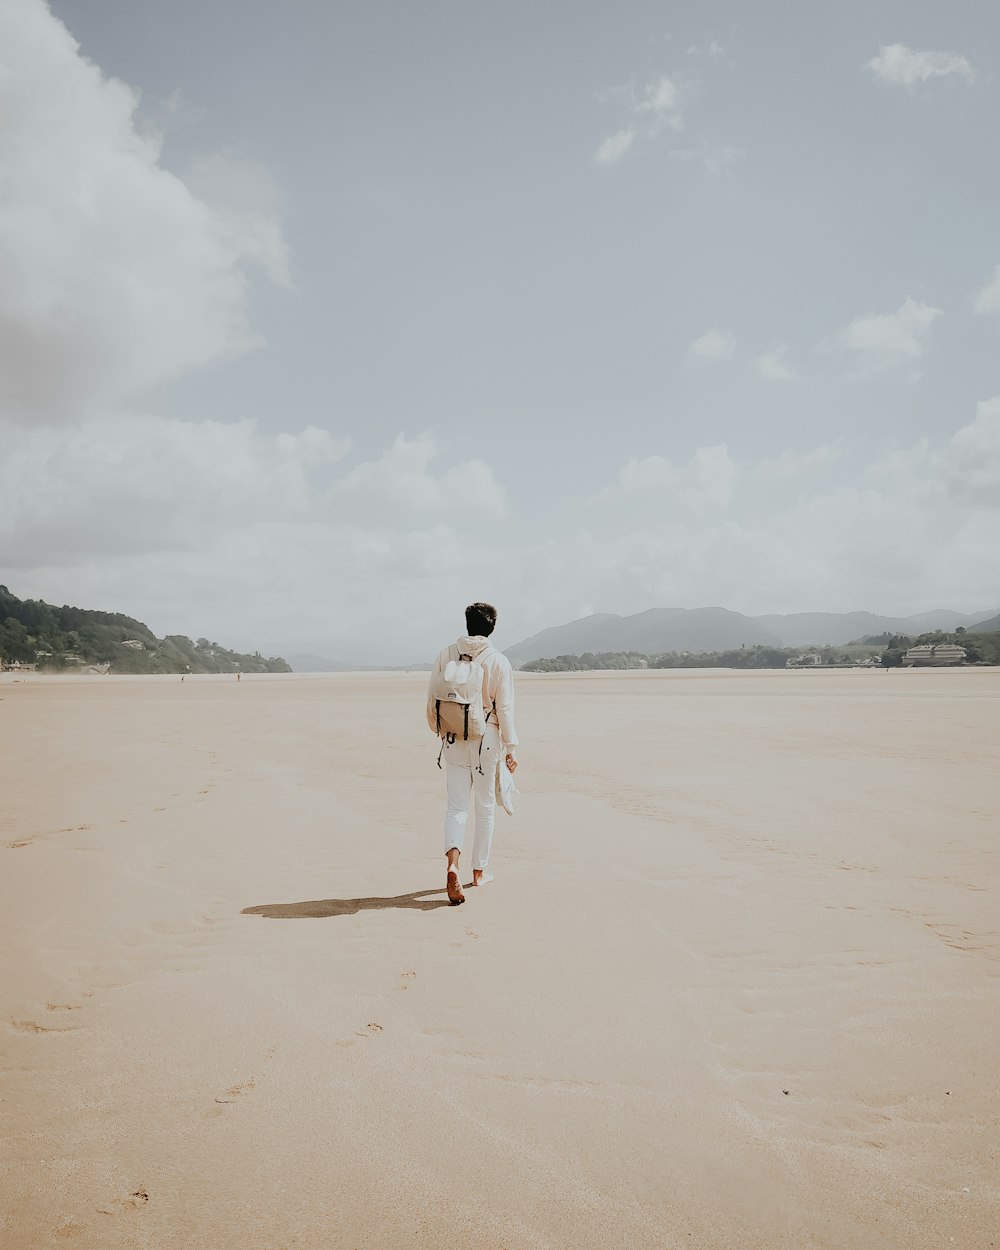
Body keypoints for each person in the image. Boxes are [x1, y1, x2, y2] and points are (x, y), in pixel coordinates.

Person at [427, 602, 518, 905]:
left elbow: (432, 698)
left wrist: (439, 730)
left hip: (453, 737)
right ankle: (478, 872)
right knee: (485, 807)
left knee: (456, 808)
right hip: (486, 740)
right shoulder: (498, 661)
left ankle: (452, 863)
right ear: (492, 627)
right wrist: (511, 747)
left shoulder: (446, 654)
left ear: (467, 625)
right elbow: (504, 709)